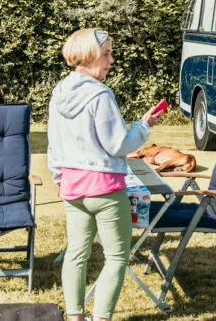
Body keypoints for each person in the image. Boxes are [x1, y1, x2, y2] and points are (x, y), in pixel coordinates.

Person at [47, 28, 165, 321]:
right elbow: (118, 145)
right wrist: (143, 125)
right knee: (116, 257)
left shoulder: (59, 92)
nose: (111, 60)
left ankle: (75, 317)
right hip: (104, 188)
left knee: (76, 254)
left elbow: (53, 143)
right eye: (107, 54)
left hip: (72, 186)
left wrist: (59, 178)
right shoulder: (101, 95)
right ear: (88, 57)